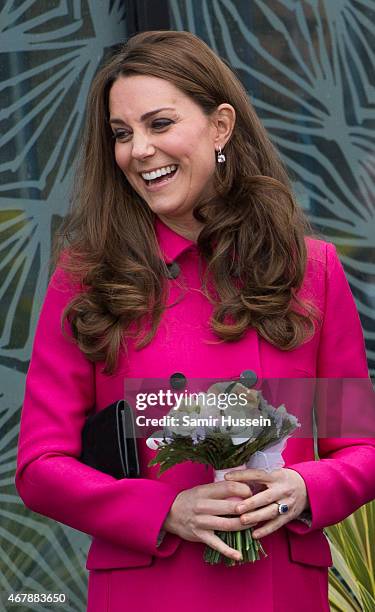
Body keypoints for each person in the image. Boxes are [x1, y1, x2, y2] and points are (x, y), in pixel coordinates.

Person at [16, 30, 375, 612]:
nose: (139, 151)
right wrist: (162, 509)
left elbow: (358, 447)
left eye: (159, 125)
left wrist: (306, 487)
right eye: (122, 135)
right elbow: (40, 467)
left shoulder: (311, 270)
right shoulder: (87, 277)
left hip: (279, 587)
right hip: (148, 587)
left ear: (221, 126)